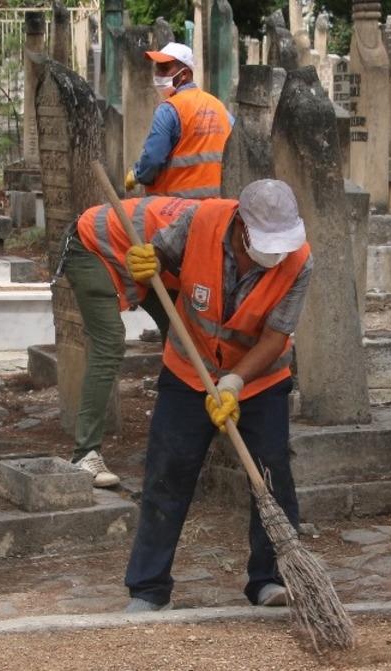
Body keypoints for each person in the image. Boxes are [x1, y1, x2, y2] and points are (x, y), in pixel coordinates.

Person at [121, 180, 312, 611]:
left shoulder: (299, 260)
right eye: (268, 243)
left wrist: (235, 382)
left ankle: (271, 578)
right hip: (189, 369)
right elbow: (157, 265)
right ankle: (149, 588)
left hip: (260, 379)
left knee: (271, 475)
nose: (276, 254)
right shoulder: (200, 221)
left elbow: (275, 336)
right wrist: (142, 267)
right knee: (167, 473)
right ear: (242, 225)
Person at [61, 196, 196, 486]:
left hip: (142, 255)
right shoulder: (205, 239)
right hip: (92, 245)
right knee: (109, 343)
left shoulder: (224, 231)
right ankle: (85, 454)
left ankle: (180, 442)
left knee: (183, 337)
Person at [125, 42, 233, 200]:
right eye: (157, 68)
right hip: (217, 209)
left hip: (174, 210)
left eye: (164, 69)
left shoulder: (169, 109)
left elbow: (153, 159)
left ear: (184, 74)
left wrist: (137, 174)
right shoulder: (219, 107)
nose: (158, 74)